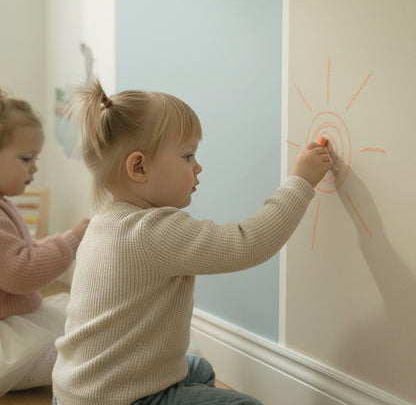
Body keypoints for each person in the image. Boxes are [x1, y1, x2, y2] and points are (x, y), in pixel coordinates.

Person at [52, 79, 331, 405]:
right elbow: (248, 243)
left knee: (196, 369)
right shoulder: (153, 231)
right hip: (122, 399)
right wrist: (300, 181)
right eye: (187, 155)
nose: (198, 166)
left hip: (73, 394)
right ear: (139, 167)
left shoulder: (103, 223)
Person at [0, 88, 89, 395]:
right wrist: (74, 240)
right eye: (27, 158)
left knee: (71, 327)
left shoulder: (3, 204)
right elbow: (21, 272)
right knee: (77, 356)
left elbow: (23, 251)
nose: (35, 168)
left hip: (14, 316)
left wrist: (68, 237)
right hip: (5, 334)